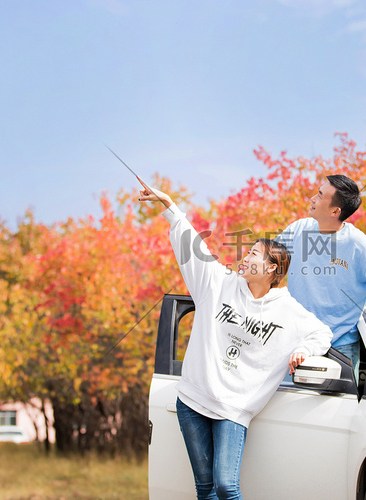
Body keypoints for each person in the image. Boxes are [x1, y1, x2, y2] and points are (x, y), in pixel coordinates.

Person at [139, 185, 332, 500]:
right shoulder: (217, 283)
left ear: (272, 268)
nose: (245, 257)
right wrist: (171, 207)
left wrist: (303, 350)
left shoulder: (288, 310)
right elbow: (192, 248)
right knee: (205, 490)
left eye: (253, 253)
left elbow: (322, 333)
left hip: (234, 408)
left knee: (227, 486)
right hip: (192, 400)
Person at [275, 174, 366, 372]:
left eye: (319, 195)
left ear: (335, 211)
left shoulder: (358, 244)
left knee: (338, 403)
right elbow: (268, 262)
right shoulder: (298, 229)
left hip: (338, 347)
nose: (312, 199)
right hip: (293, 342)